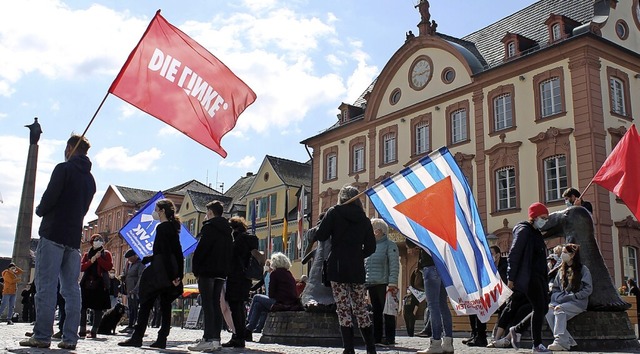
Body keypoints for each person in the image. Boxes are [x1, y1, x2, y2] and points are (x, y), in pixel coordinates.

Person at [20, 134, 96, 350]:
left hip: (53, 233)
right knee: (71, 290)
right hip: (73, 239)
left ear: (70, 148)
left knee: (45, 286)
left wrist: (40, 210)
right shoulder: (90, 180)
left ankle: (42, 335)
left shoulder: (63, 169)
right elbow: (84, 209)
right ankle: (70, 338)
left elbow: (50, 196)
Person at [315, 184, 377, 354]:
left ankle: (349, 349)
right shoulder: (364, 219)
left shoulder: (334, 212)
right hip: (356, 268)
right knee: (360, 307)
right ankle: (371, 348)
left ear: (341, 197)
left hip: (337, 266)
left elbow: (321, 235)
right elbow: (371, 247)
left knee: (343, 308)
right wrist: (358, 255)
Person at [119, 199, 184, 349]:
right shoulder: (174, 228)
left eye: (156, 209)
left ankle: (137, 337)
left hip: (159, 271)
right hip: (169, 271)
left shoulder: (162, 228)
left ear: (162, 211)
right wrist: (178, 275)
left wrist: (153, 260)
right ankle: (162, 339)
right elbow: (178, 253)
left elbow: (164, 252)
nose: (154, 212)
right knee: (165, 306)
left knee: (146, 303)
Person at [187, 200, 233, 352]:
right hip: (221, 272)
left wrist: (196, 269)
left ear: (211, 213)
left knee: (207, 304)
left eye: (207, 213)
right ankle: (216, 339)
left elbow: (201, 250)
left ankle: (207, 338)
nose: (206, 216)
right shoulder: (227, 231)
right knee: (215, 305)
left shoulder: (209, 228)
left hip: (207, 271)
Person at [507, 202, 551, 353]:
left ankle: (517, 330)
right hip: (529, 276)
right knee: (539, 307)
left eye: (546, 218)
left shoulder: (536, 232)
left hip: (539, 276)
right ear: (534, 217)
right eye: (543, 217)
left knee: (544, 307)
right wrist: (510, 279)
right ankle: (537, 345)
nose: (545, 221)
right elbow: (514, 254)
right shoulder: (524, 230)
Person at [407, 239, 454, 354]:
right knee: (443, 305)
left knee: (433, 306)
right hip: (444, 266)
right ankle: (448, 343)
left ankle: (436, 342)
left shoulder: (425, 223)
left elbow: (410, 242)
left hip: (430, 265)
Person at [546, 244, 593, 351]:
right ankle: (568, 341)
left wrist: (575, 296)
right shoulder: (561, 270)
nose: (563, 255)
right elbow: (556, 288)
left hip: (577, 302)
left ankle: (559, 341)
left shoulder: (583, 270)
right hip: (562, 300)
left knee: (559, 310)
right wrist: (557, 298)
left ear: (573, 255)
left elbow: (588, 289)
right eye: (562, 252)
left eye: (565, 252)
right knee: (548, 310)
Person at [221, 216, 259, 348]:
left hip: (235, 277)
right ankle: (241, 334)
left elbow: (230, 257)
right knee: (240, 307)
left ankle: (238, 336)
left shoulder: (237, 240)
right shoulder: (251, 238)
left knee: (235, 307)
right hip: (246, 278)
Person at [245, 252, 300, 341]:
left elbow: (271, 294)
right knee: (257, 305)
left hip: (279, 302)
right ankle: (248, 330)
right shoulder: (289, 273)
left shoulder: (275, 273)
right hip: (290, 302)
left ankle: (247, 325)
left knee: (256, 297)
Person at [365, 218, 400, 346]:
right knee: (376, 312)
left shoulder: (390, 245)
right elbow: (366, 265)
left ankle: (390, 338)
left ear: (378, 231)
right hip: (372, 283)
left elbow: (394, 265)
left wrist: (392, 283)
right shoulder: (370, 246)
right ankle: (377, 338)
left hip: (385, 283)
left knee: (388, 311)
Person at [79, 234, 113, 338]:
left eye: (100, 240)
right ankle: (82, 329)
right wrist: (91, 260)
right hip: (86, 283)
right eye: (96, 240)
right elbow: (81, 267)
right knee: (83, 307)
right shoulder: (87, 254)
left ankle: (94, 330)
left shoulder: (106, 253)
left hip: (100, 284)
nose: (98, 241)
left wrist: (99, 259)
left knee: (98, 309)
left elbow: (108, 266)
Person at [119, 249, 145, 333]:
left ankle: (134, 325)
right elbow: (124, 272)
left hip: (135, 291)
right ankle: (130, 325)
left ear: (135, 256)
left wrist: (136, 289)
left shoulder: (140, 264)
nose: (128, 260)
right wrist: (122, 276)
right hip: (129, 290)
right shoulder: (128, 264)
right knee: (130, 308)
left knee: (135, 308)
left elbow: (141, 277)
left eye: (130, 258)